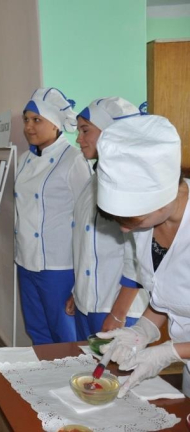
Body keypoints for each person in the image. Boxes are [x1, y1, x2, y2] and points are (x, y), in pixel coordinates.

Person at [94, 115, 190, 398]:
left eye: (132, 220)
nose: (125, 229)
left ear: (164, 196)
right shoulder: (145, 225)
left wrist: (171, 352)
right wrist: (144, 329)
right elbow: (168, 292)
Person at [65, 97, 149, 338]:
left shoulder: (131, 184)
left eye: (85, 131)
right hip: (89, 304)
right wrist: (78, 292)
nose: (78, 139)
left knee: (114, 364)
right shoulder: (95, 179)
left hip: (117, 308)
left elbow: (138, 256)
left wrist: (119, 313)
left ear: (112, 133)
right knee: (88, 362)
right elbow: (85, 245)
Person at [15, 87, 92, 345]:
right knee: (37, 330)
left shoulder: (74, 160)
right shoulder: (24, 159)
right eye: (26, 119)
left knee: (65, 335)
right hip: (26, 260)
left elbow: (88, 220)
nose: (29, 126)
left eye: (37, 120)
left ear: (55, 124)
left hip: (60, 266)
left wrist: (81, 279)